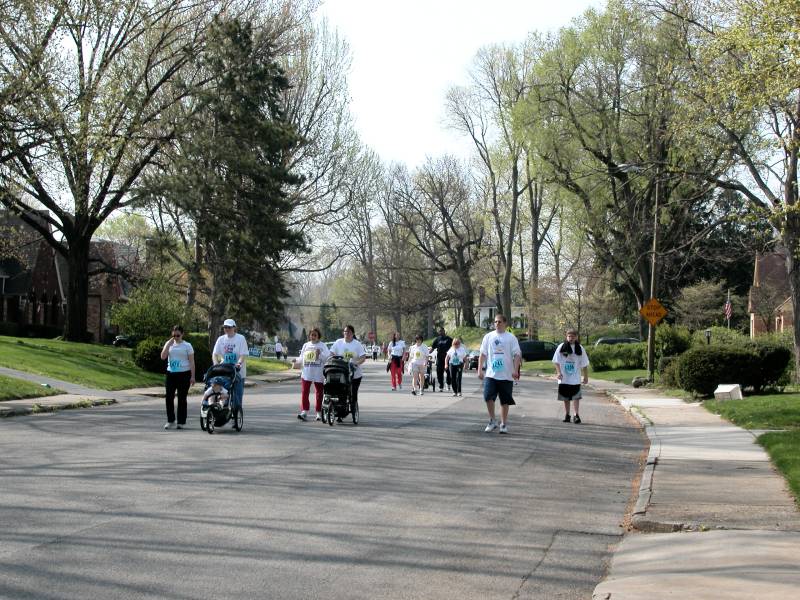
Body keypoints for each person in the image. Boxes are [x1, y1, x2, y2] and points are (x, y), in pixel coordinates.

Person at [478, 314, 521, 434]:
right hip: (491, 374)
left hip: (506, 374)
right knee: (487, 396)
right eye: (495, 322)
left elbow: (517, 354)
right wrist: (479, 369)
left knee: (505, 401)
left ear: (505, 323)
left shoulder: (511, 338)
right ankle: (492, 420)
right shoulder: (488, 336)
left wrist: (515, 370)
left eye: (500, 322)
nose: (497, 324)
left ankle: (503, 424)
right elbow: (483, 354)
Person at [160, 325, 195, 430]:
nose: (176, 337)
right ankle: (170, 420)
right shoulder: (169, 344)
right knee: (169, 397)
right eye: (174, 335)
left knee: (182, 398)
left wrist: (193, 376)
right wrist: (168, 345)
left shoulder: (187, 346)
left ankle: (181, 421)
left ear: (182, 334)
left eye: (178, 335)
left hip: (184, 374)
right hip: (171, 373)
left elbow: (192, 362)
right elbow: (163, 357)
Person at [329, 325, 367, 420]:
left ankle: (354, 407)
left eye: (349, 332)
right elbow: (332, 353)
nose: (346, 333)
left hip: (355, 374)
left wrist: (356, 363)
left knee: (353, 394)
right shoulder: (338, 342)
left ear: (352, 333)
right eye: (345, 331)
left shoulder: (357, 344)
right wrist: (333, 359)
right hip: (341, 372)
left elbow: (363, 357)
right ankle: (339, 411)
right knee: (340, 392)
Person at [552, 328, 590, 423]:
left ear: (576, 337)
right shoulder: (561, 347)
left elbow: (584, 364)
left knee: (576, 397)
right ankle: (567, 414)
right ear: (566, 337)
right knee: (566, 397)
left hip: (575, 377)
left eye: (573, 337)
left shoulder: (580, 348)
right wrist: (558, 372)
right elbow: (556, 361)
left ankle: (576, 415)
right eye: (569, 336)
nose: (571, 338)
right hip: (564, 377)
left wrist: (585, 376)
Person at [293, 328, 330, 421]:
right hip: (307, 372)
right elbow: (301, 358)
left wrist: (319, 355)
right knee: (305, 392)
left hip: (318, 373)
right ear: (309, 336)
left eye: (315, 335)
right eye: (311, 335)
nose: (313, 337)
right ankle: (304, 411)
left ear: (318, 336)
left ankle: (318, 413)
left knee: (319, 393)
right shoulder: (306, 345)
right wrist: (296, 360)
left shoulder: (323, 346)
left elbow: (327, 358)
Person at [212, 318, 249, 410]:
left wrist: (239, 363)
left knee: (237, 395)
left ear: (234, 328)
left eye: (229, 327)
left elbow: (243, 354)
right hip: (224, 370)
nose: (227, 329)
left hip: (238, 371)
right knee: (223, 391)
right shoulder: (221, 339)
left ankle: (236, 412)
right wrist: (216, 364)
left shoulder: (240, 338)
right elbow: (214, 354)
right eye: (225, 327)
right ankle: (222, 408)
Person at [430, 327, 453, 392]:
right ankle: (441, 386)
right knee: (439, 373)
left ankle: (448, 384)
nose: (441, 332)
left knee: (449, 372)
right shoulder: (437, 339)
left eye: (442, 331)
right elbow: (432, 348)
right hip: (439, 358)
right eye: (439, 331)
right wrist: (426, 353)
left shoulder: (449, 339)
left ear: (444, 331)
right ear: (438, 332)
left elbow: (454, 347)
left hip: (448, 358)